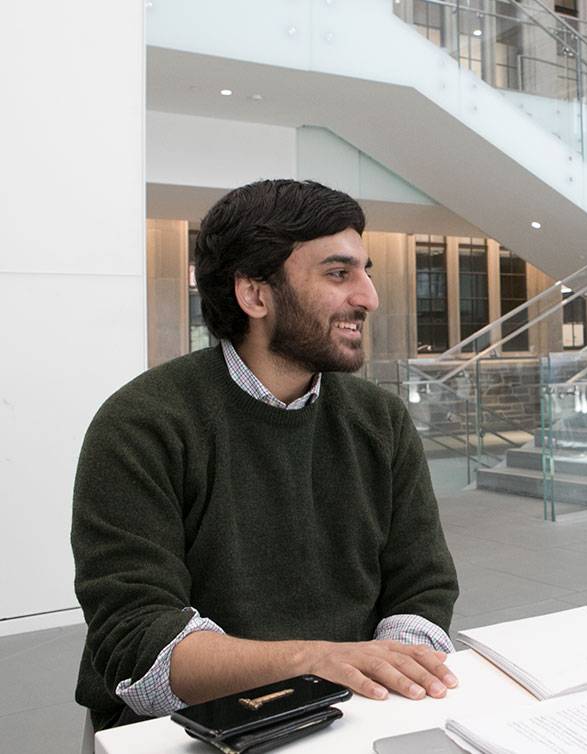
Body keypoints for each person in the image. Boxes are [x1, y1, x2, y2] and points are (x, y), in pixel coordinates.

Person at [72, 180, 460, 731]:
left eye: (365, 271)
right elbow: (137, 639)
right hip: (187, 730)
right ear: (255, 295)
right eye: (338, 273)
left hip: (348, 716)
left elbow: (423, 587)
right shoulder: (143, 423)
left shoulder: (380, 420)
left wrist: (391, 673)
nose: (369, 297)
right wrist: (316, 661)